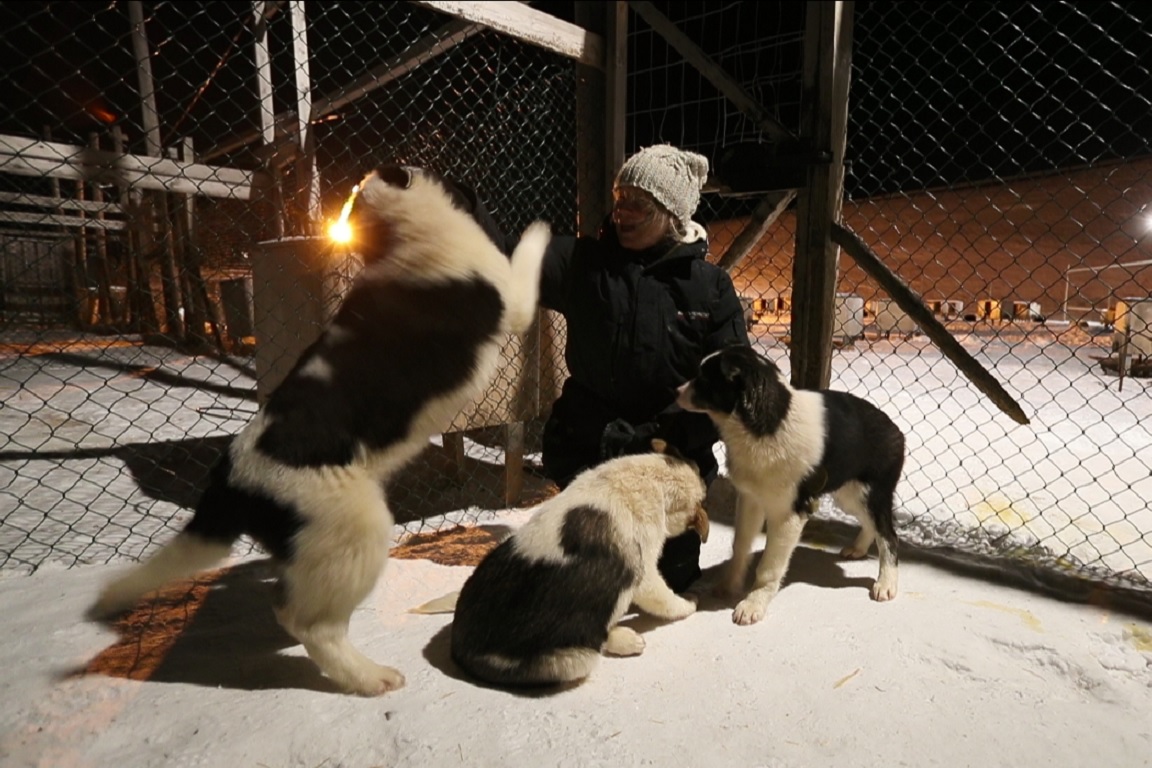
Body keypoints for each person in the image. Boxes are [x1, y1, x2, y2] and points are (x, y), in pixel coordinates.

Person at [535, 144, 751, 592]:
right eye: (619, 198)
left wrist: (662, 437)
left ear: (673, 216)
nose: (622, 212)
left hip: (665, 462)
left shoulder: (709, 289)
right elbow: (503, 256)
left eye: (639, 203)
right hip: (590, 447)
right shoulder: (585, 264)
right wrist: (458, 205)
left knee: (667, 582)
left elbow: (729, 388)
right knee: (588, 577)